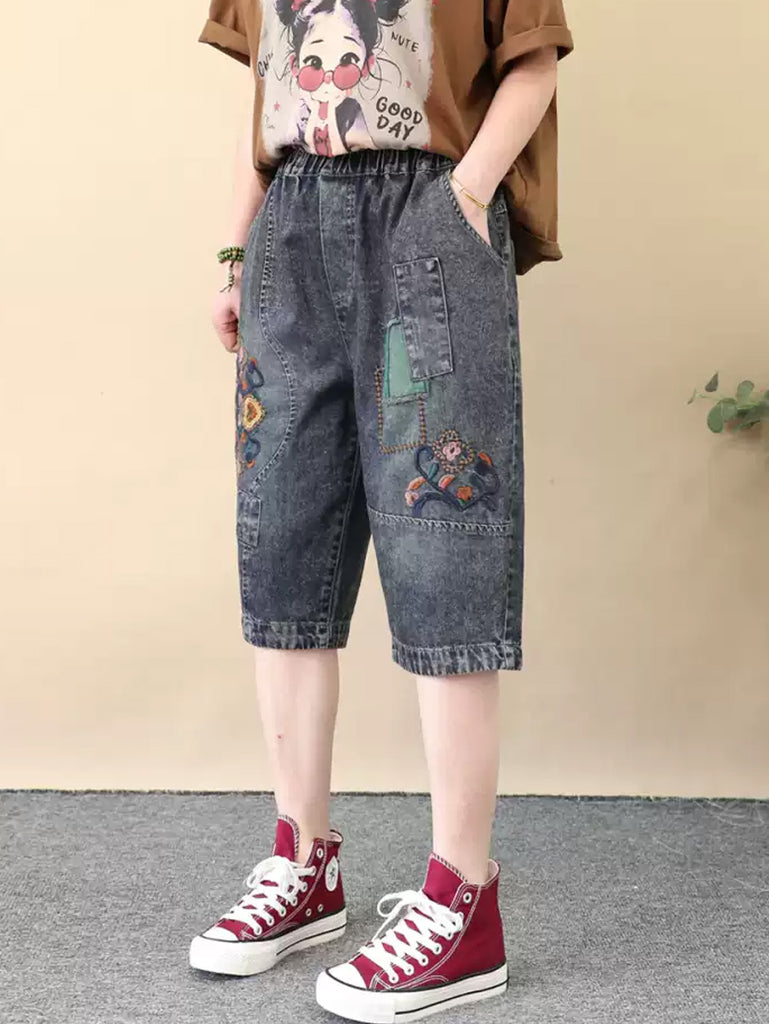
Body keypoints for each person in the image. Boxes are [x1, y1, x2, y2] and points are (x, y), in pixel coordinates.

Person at [190, 1, 573, 1020]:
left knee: (442, 540)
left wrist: (462, 197)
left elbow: (533, 66)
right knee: (283, 539)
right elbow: (266, 95)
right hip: (289, 229)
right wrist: (235, 249)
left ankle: (463, 899)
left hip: (425, 215)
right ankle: (302, 863)